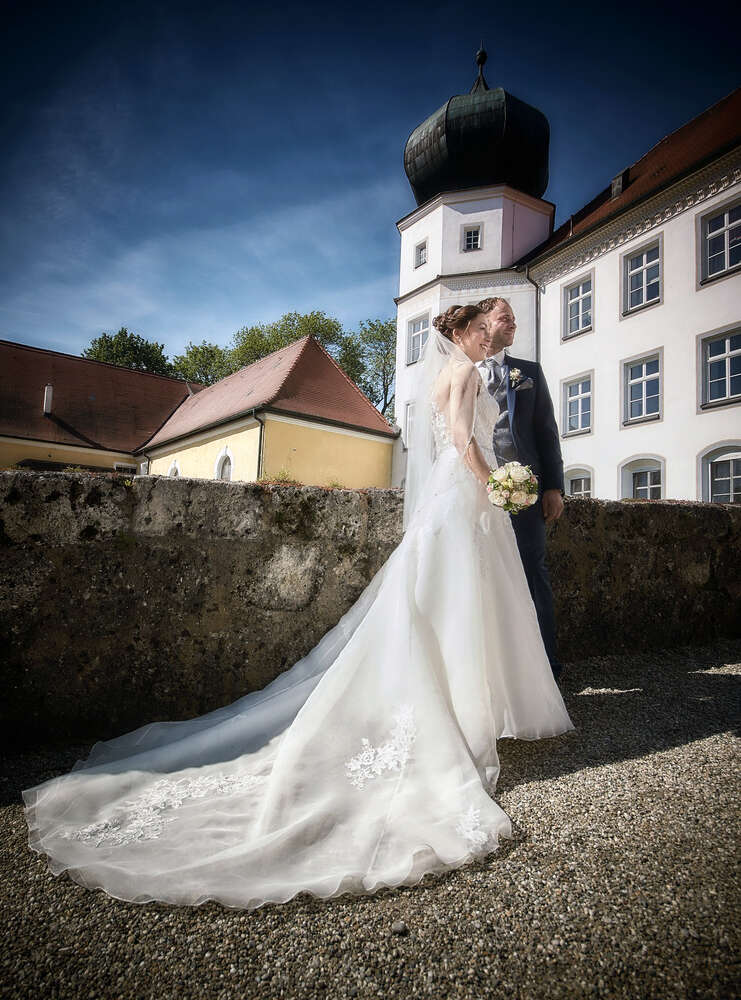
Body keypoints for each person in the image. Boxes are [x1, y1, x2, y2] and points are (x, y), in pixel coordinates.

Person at [22, 305, 575, 911]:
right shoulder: (466, 374)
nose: (506, 327)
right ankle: (460, 709)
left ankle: (460, 701)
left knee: (436, 606)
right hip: (464, 492)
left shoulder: (442, 378)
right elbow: (467, 441)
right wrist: (493, 484)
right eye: (497, 321)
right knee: (456, 603)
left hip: (446, 500)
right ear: (469, 331)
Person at [475, 297, 566, 680]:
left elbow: (547, 432)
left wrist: (554, 487)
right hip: (475, 492)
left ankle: (545, 667)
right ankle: (492, 673)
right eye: (505, 318)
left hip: (524, 493)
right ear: (484, 324)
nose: (513, 324)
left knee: (533, 573)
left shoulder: (528, 371)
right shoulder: (461, 371)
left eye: (514, 319)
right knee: (480, 576)